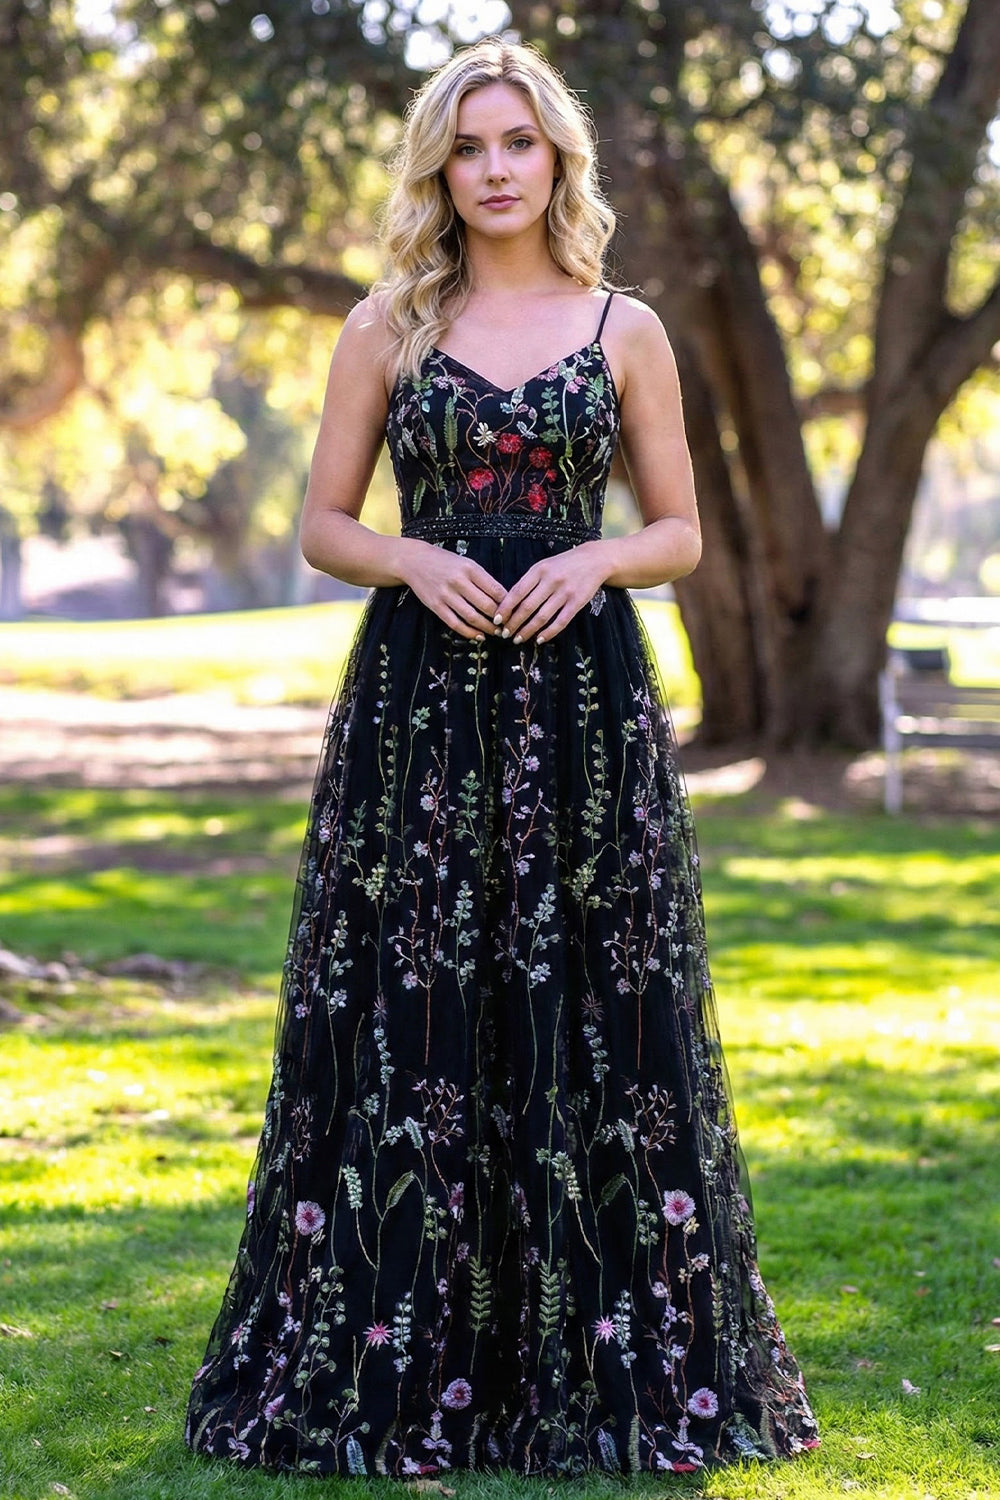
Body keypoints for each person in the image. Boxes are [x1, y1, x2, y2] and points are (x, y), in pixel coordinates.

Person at [185, 37, 819, 1477]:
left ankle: (606, 1359)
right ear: (438, 165)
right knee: (416, 1009)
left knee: (600, 1010)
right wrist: (412, 560)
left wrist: (594, 562)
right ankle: (409, 1356)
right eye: (467, 147)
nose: (491, 169)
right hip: (420, 711)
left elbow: (680, 531)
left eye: (516, 144)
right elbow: (322, 525)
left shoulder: (626, 329)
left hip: (581, 712)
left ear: (556, 161)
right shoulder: (386, 324)